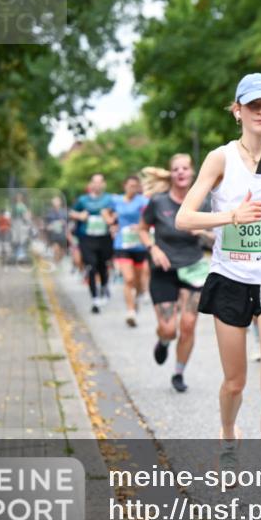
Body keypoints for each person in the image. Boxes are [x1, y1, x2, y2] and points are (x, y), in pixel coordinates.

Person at [176, 74, 261, 508]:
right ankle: (228, 438)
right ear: (237, 110)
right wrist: (229, 217)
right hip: (230, 281)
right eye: (252, 104)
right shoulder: (219, 160)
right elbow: (184, 218)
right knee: (235, 383)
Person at [140, 155, 212, 393]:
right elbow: (142, 229)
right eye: (175, 169)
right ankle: (163, 341)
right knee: (170, 329)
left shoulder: (203, 202)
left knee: (189, 324)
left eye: (185, 168)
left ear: (192, 173)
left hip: (194, 268)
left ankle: (179, 373)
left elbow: (216, 236)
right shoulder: (159, 202)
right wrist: (153, 247)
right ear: (170, 174)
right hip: (164, 269)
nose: (180, 172)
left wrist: (201, 231)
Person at [70, 174, 115, 313]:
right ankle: (94, 300)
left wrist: (110, 218)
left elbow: (117, 214)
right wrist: (79, 216)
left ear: (104, 184)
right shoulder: (83, 200)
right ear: (90, 184)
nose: (97, 185)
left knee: (103, 266)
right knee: (91, 266)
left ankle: (104, 287)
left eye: (99, 182)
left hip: (104, 238)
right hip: (87, 238)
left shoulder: (109, 199)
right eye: (94, 182)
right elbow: (71, 212)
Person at [111, 175, 150, 327]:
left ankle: (137, 297)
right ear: (124, 186)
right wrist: (110, 221)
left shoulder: (143, 201)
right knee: (128, 279)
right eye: (130, 185)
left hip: (139, 245)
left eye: (135, 185)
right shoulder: (116, 200)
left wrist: (141, 225)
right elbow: (106, 211)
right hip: (122, 244)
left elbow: (150, 216)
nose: (132, 188)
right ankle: (131, 312)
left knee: (139, 281)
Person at [44, 196, 69, 265]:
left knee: (62, 252)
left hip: (63, 235)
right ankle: (56, 264)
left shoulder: (64, 212)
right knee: (56, 249)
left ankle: (59, 262)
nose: (55, 203)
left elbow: (69, 223)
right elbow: (45, 224)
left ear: (60, 203)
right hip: (53, 235)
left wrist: (64, 223)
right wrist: (48, 227)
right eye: (54, 202)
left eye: (57, 202)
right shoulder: (49, 213)